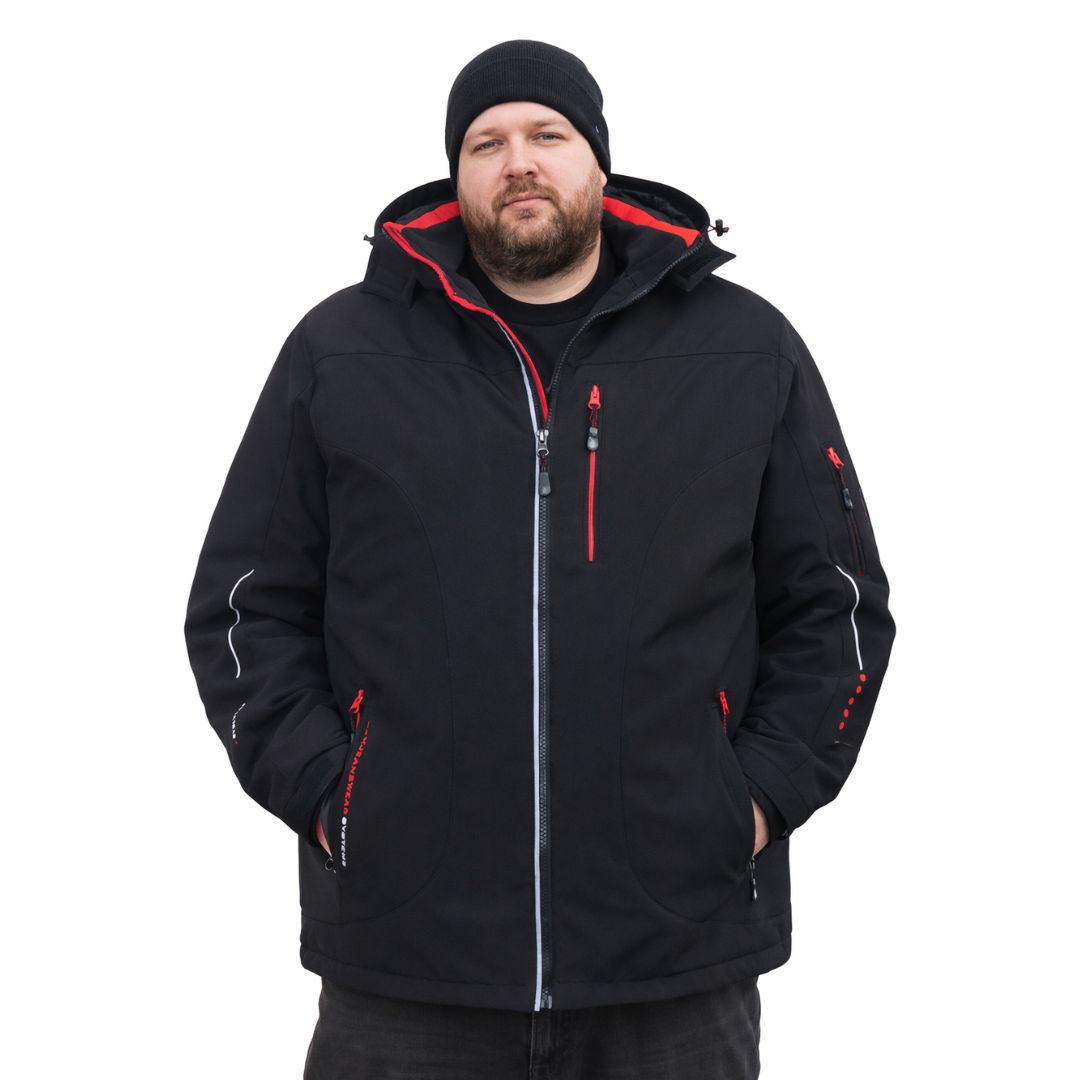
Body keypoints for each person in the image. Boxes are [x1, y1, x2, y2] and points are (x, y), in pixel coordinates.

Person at [183, 38, 897, 1080]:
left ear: (598, 162)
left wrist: (750, 802)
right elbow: (246, 605)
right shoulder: (343, 352)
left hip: (673, 961)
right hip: (407, 962)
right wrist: (336, 799)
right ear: (456, 175)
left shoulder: (745, 349)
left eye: (547, 134)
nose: (518, 161)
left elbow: (835, 606)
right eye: (486, 143)